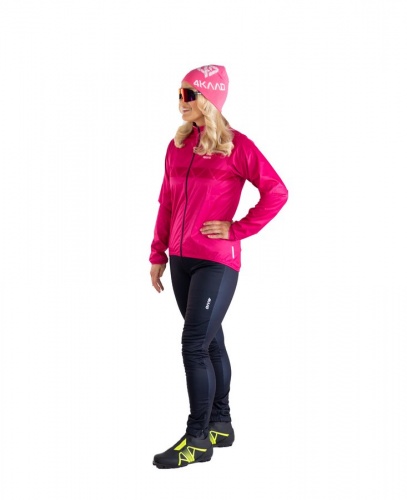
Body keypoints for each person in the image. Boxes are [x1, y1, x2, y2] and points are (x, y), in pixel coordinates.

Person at [149, 64, 288, 469]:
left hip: (216, 262)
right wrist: (158, 254)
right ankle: (221, 425)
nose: (181, 101)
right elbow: (166, 203)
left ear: (209, 99)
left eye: (188, 94)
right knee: (209, 343)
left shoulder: (236, 146)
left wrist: (237, 229)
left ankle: (197, 439)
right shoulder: (177, 146)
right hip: (181, 261)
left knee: (193, 345)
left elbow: (277, 192)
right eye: (179, 93)